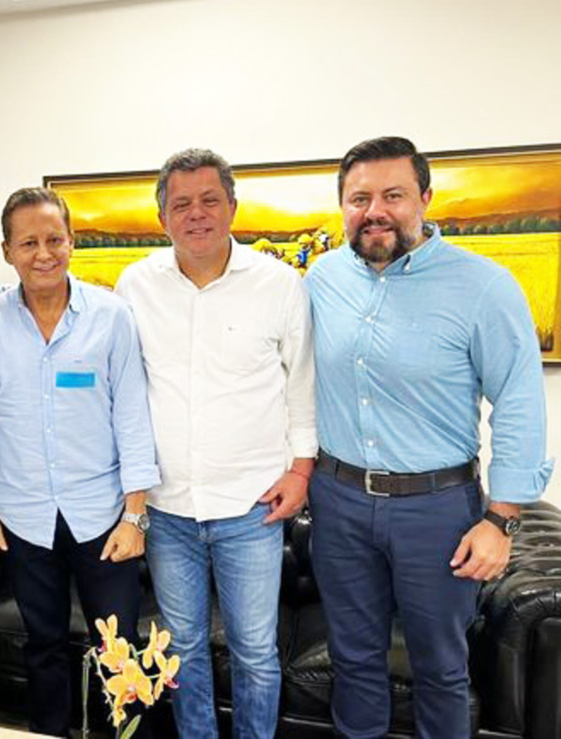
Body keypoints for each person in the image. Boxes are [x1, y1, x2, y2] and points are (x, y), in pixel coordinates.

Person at [304, 136, 553, 738]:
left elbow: (519, 402)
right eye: (359, 198)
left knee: (441, 669)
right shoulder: (321, 278)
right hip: (336, 504)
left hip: (437, 510)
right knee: (355, 661)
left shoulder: (484, 287)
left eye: (393, 194)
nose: (375, 210)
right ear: (343, 206)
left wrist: (502, 520)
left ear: (426, 199)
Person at [114, 148, 316, 739]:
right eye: (181, 204)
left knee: (255, 652)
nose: (196, 214)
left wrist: (301, 472)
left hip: (251, 507)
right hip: (168, 509)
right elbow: (123, 391)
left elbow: (302, 384)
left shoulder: (278, 284)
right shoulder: (136, 285)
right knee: (183, 652)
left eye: (209, 200)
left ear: (231, 206)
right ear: (162, 218)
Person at [0, 187, 160, 736]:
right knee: (43, 645)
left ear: (72, 242)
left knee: (118, 649)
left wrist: (135, 515)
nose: (43, 253)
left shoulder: (112, 317)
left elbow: (134, 421)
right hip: (24, 518)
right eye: (28, 242)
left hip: (102, 518)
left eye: (54, 239)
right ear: (7, 251)